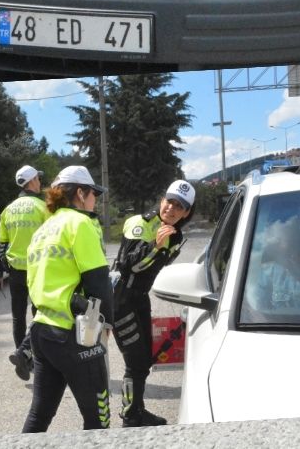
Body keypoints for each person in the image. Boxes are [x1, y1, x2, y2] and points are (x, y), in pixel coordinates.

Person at [21, 166, 116, 432]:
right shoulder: (81, 223)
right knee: (99, 419)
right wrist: (106, 326)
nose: (95, 199)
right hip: (74, 334)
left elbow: (35, 282)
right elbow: (98, 280)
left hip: (42, 331)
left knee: (39, 415)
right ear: (80, 193)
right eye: (93, 193)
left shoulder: (44, 229)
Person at [110, 179, 195, 427]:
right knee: (135, 360)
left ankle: (136, 409)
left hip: (140, 298)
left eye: (179, 206)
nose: (172, 208)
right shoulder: (140, 223)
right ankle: (129, 415)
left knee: (145, 360)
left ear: (186, 213)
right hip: (121, 299)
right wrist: (155, 246)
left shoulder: (176, 235)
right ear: (161, 201)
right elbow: (130, 265)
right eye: (170, 202)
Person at [0, 165, 51, 382]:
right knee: (40, 316)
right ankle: (34, 356)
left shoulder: (8, 209)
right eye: (38, 178)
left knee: (18, 317)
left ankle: (22, 356)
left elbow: (1, 244)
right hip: (39, 270)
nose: (40, 182)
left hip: (16, 271)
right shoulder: (43, 207)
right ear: (32, 181)